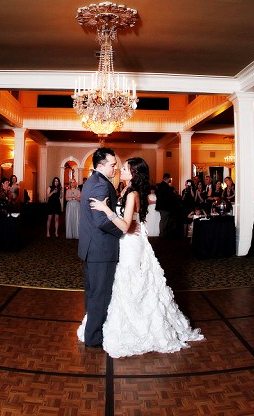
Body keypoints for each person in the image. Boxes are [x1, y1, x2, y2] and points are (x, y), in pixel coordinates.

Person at [78, 156, 203, 358]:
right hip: (125, 242)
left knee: (132, 282)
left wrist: (106, 209)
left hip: (130, 243)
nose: (121, 169)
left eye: (125, 168)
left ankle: (138, 328)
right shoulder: (127, 190)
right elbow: (132, 217)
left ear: (134, 173)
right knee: (125, 283)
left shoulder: (131, 193)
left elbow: (126, 226)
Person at [75, 147, 122, 348]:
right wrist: (124, 231)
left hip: (92, 247)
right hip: (101, 249)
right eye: (112, 164)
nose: (115, 168)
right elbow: (101, 221)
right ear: (100, 165)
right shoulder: (100, 186)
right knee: (100, 296)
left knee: (93, 294)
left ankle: (91, 331)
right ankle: (94, 338)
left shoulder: (92, 182)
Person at [154, 173, 179, 238]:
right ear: (168, 179)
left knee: (162, 220)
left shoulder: (159, 186)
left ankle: (163, 234)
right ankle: (163, 235)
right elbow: (172, 197)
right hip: (166, 206)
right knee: (164, 221)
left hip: (160, 205)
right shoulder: (167, 187)